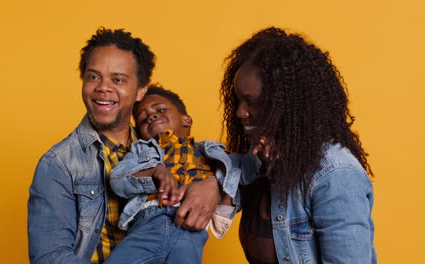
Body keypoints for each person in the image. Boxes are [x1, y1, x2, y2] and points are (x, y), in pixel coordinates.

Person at [28, 28, 224, 264]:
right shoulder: (58, 164)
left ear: (141, 90)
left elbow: (239, 178)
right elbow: (50, 258)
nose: (103, 87)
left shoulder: (159, 146)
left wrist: (214, 185)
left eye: (118, 79)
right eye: (93, 77)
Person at [220, 27, 376, 263]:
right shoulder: (260, 162)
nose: (240, 112)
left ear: (287, 104)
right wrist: (210, 184)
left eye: (252, 102)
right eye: (238, 100)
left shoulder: (335, 174)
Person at [104, 85, 239, 264]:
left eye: (159, 110)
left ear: (186, 120)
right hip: (148, 223)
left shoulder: (212, 153)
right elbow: (118, 180)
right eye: (142, 119)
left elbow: (241, 175)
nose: (151, 116)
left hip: (190, 229)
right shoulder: (142, 150)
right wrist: (154, 172)